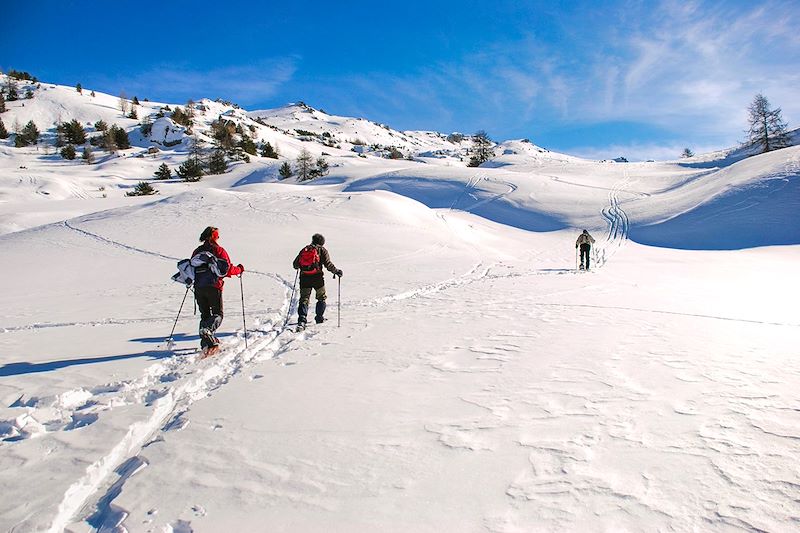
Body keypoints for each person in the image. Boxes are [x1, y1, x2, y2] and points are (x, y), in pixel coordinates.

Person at [192, 226, 244, 356]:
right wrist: (239, 270)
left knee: (205, 315)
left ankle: (206, 343)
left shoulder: (197, 251)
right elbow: (227, 268)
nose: (219, 238)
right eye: (217, 235)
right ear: (214, 236)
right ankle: (207, 331)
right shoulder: (219, 250)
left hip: (198, 287)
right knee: (217, 314)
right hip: (214, 286)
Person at [292, 233, 342, 329]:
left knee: (304, 299)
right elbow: (328, 264)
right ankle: (319, 318)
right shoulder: (322, 250)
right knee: (321, 297)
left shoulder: (305, 249)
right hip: (317, 278)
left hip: (304, 278)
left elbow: (295, 264)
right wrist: (336, 271)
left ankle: (302, 320)